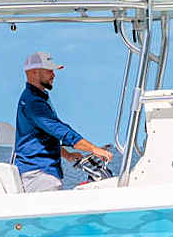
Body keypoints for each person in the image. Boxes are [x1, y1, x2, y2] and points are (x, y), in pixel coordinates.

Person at [14, 51, 113, 191]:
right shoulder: (33, 103)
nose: (53, 75)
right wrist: (94, 149)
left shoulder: (37, 98)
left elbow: (44, 136)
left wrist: (67, 155)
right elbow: (61, 131)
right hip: (39, 175)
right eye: (49, 71)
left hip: (41, 171)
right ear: (34, 72)